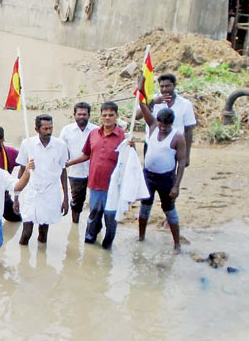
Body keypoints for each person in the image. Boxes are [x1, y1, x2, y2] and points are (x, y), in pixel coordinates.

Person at [66, 102, 126, 250]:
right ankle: (90, 243)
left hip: (113, 186)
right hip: (95, 184)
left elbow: (128, 162)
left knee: (110, 217)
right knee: (93, 215)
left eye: (111, 115)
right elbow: (86, 154)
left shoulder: (124, 137)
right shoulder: (93, 134)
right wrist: (69, 163)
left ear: (116, 116)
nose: (107, 118)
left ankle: (107, 245)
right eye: (104, 115)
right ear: (100, 116)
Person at [137, 79, 187, 252]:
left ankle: (177, 244)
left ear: (171, 124)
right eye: (161, 125)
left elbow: (181, 162)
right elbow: (143, 106)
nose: (163, 128)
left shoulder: (178, 137)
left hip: (166, 178)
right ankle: (141, 237)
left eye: (166, 126)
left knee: (170, 211)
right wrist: (141, 88)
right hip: (148, 176)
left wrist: (176, 186)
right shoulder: (152, 126)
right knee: (144, 208)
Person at [16, 114, 70, 245]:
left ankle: (42, 260)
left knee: (43, 233)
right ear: (37, 129)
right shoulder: (27, 144)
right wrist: (16, 197)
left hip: (50, 192)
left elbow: (63, 171)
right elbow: (21, 173)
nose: (48, 132)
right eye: (45, 129)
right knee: (26, 233)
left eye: (50, 128)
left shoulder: (60, 145)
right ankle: (23, 262)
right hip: (31, 191)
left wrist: (66, 198)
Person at [137, 73, 197, 166]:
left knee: (169, 175)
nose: (164, 89)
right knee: (149, 174)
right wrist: (152, 103)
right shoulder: (152, 100)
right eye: (162, 86)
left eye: (167, 86)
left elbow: (188, 130)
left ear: (174, 85)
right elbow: (137, 116)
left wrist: (186, 155)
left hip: (173, 147)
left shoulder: (185, 104)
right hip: (152, 145)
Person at [59, 102, 99, 224]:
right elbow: (61, 150)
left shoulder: (96, 130)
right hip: (76, 172)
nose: (82, 116)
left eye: (84, 114)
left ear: (89, 115)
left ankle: (94, 226)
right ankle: (74, 226)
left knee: (96, 201)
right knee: (77, 201)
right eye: (79, 114)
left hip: (94, 171)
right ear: (74, 115)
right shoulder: (67, 130)